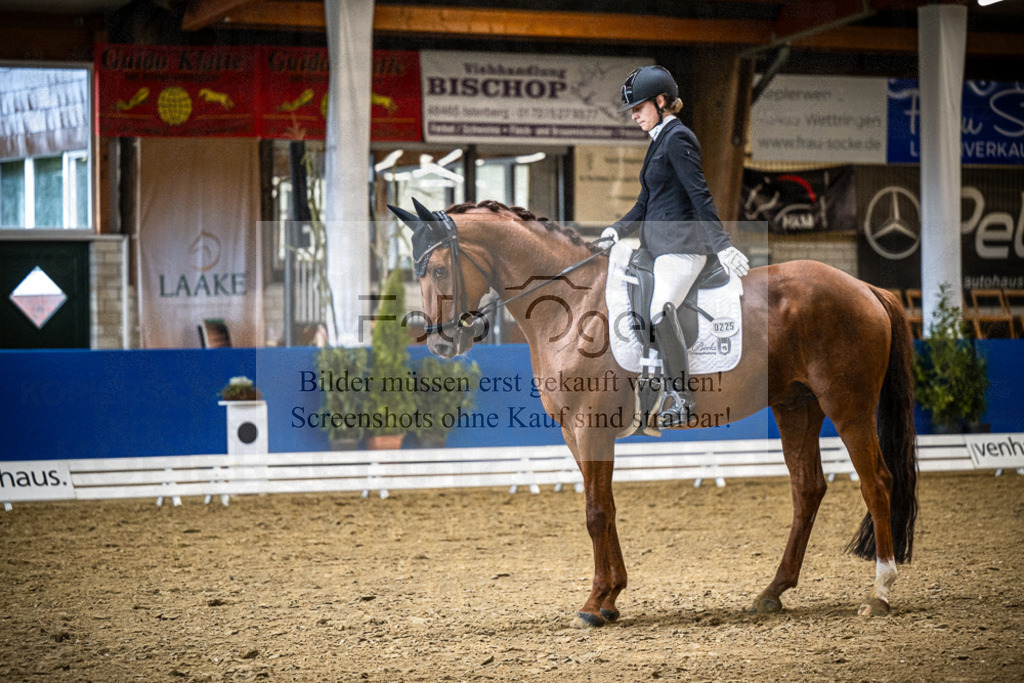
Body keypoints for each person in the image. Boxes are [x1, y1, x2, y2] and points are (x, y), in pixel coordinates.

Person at [600, 65, 749, 427]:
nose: (634, 114)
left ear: (662, 102)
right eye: (631, 110)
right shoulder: (658, 142)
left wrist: (723, 246)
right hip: (657, 248)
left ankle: (682, 397)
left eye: (639, 107)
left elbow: (700, 197)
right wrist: (615, 230)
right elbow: (644, 203)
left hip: (683, 249)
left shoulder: (678, 138)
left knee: (658, 310)